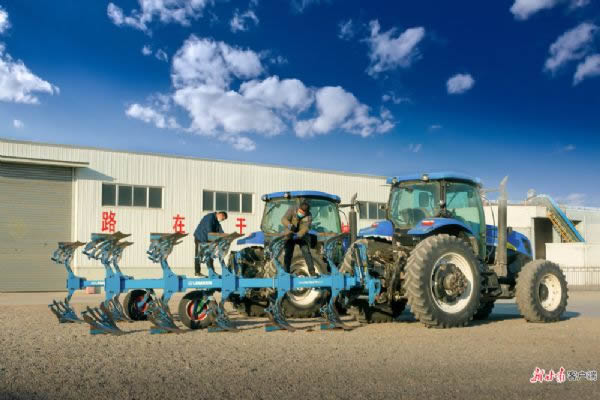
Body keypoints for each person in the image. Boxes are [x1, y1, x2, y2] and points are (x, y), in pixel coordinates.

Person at [281, 201, 316, 276]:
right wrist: (289, 225)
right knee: (288, 253)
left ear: (306, 213)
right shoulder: (292, 209)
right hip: (290, 234)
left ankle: (312, 271)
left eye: (303, 213)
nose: (301, 213)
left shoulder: (309, 216)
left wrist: (299, 234)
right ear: (298, 208)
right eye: (300, 211)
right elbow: (284, 219)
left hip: (301, 236)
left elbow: (306, 228)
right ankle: (286, 273)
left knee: (306, 251)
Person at [194, 211, 228, 276]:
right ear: (220, 214)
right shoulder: (210, 217)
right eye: (222, 219)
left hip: (208, 239)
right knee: (198, 255)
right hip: (200, 238)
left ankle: (212, 272)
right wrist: (215, 240)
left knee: (210, 255)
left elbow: (220, 230)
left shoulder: (216, 222)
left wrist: (226, 237)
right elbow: (209, 230)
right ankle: (197, 272)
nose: (222, 220)